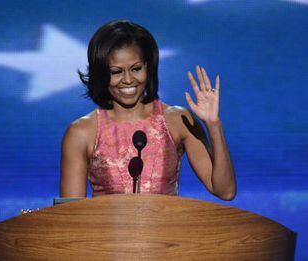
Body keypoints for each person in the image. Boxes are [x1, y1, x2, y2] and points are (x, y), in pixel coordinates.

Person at [60, 20, 236, 200]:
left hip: (166, 228)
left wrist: (214, 125)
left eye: (136, 69)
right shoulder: (81, 133)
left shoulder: (177, 121)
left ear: (148, 67)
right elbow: (70, 215)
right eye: (116, 72)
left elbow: (225, 191)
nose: (128, 80)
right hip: (106, 228)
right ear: (101, 74)